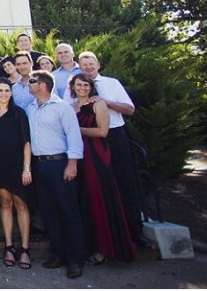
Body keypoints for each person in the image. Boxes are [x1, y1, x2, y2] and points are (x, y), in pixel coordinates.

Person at [75, 51, 143, 247]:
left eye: (91, 63)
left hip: (114, 135)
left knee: (125, 182)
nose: (88, 67)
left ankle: (134, 232)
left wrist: (106, 101)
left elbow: (130, 109)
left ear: (98, 65)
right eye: (84, 64)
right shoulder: (76, 86)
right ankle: (100, 234)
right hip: (88, 141)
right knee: (96, 187)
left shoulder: (112, 83)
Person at [70, 73, 136, 264]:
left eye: (86, 85)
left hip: (96, 154)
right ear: (73, 87)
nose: (82, 88)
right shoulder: (71, 106)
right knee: (84, 200)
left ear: (91, 87)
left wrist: (76, 129)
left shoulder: (99, 104)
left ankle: (105, 248)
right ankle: (89, 245)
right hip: (78, 154)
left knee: (98, 197)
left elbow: (102, 131)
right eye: (79, 85)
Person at [25, 70, 85, 279]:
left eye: (32, 81)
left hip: (59, 164)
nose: (29, 84)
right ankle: (58, 253)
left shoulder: (62, 107)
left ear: (43, 85)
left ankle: (76, 259)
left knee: (68, 211)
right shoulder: (30, 108)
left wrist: (72, 164)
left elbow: (74, 136)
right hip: (39, 165)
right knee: (48, 211)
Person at [0, 78, 33, 270]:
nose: (4, 94)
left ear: (11, 93)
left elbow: (26, 142)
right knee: (5, 204)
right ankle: (9, 247)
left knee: (21, 204)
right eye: (1, 90)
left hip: (17, 165)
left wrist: (26, 168)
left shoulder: (19, 113)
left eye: (7, 90)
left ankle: (25, 249)